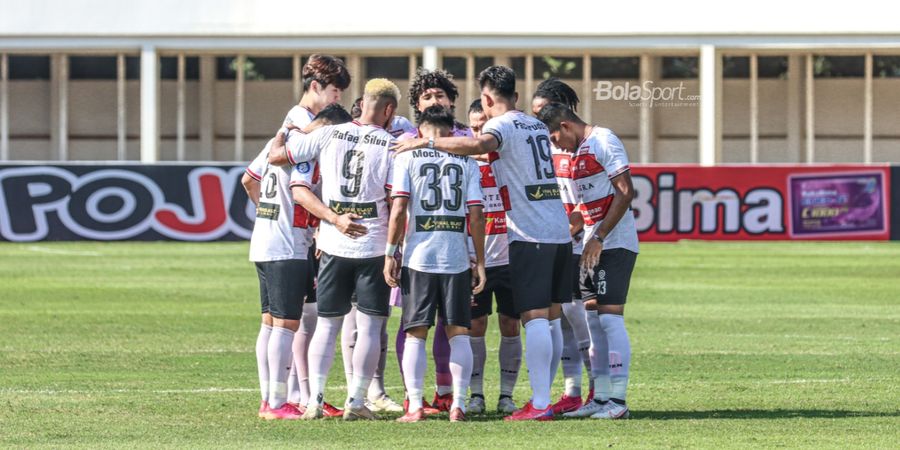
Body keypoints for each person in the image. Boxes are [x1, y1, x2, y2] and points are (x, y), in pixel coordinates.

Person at [392, 66, 574, 421]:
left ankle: (539, 404)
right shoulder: (535, 124)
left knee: (534, 318)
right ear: (517, 96)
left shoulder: (500, 125)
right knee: (551, 319)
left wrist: (425, 142)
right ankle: (543, 398)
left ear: (488, 99)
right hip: (558, 229)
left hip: (531, 234)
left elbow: (478, 145)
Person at [269, 78, 400, 421]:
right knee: (370, 326)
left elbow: (280, 158)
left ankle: (315, 400)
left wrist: (333, 218)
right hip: (372, 243)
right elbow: (394, 200)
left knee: (327, 325)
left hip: (332, 242)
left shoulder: (329, 133)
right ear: (389, 110)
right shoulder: (389, 144)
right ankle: (356, 401)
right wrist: (394, 249)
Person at [536, 102, 639, 420]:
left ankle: (618, 402)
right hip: (591, 247)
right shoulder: (577, 152)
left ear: (566, 126)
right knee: (593, 321)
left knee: (609, 319)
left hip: (614, 244)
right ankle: (602, 397)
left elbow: (625, 192)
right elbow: (583, 207)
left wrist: (599, 237)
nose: (556, 146)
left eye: (554, 138)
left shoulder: (603, 141)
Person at [384, 105, 486, 423]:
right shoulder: (466, 160)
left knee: (416, 333)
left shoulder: (406, 156)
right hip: (455, 256)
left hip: (419, 257)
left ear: (422, 130)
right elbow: (477, 214)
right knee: (458, 333)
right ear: (450, 132)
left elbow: (399, 207)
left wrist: (390, 252)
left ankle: (415, 405)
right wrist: (479, 260)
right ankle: (458, 404)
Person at [394, 68, 473, 411]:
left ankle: (445, 391)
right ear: (416, 104)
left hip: (432, 250)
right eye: (426, 96)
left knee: (432, 327)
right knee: (414, 323)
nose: (434, 100)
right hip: (422, 246)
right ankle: (422, 396)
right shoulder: (405, 139)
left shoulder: (466, 139)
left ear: (452, 100)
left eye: (439, 95)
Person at [532, 78, 595, 415]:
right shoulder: (543, 145)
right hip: (554, 242)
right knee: (563, 318)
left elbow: (591, 199)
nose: (536, 119)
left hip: (578, 243)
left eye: (541, 111)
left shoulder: (580, 145)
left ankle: (598, 387)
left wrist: (573, 225)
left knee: (581, 316)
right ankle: (572, 390)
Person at [464, 99, 521, 415]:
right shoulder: (464, 163)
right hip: (474, 260)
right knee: (475, 326)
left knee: (511, 324)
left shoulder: (510, 160)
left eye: (482, 126)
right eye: (472, 127)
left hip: (510, 258)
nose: (477, 133)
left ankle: (507, 395)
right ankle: (476, 395)